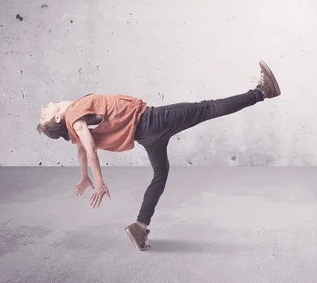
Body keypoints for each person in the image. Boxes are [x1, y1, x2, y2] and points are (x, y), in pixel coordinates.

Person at [36, 60, 281, 251]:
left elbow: (80, 148)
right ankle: (262, 92)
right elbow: (88, 149)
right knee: (206, 107)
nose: (43, 109)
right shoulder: (75, 118)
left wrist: (83, 176)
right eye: (44, 115)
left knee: (160, 175)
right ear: (58, 118)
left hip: (146, 136)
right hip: (151, 120)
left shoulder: (74, 124)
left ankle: (140, 227)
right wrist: (98, 182)